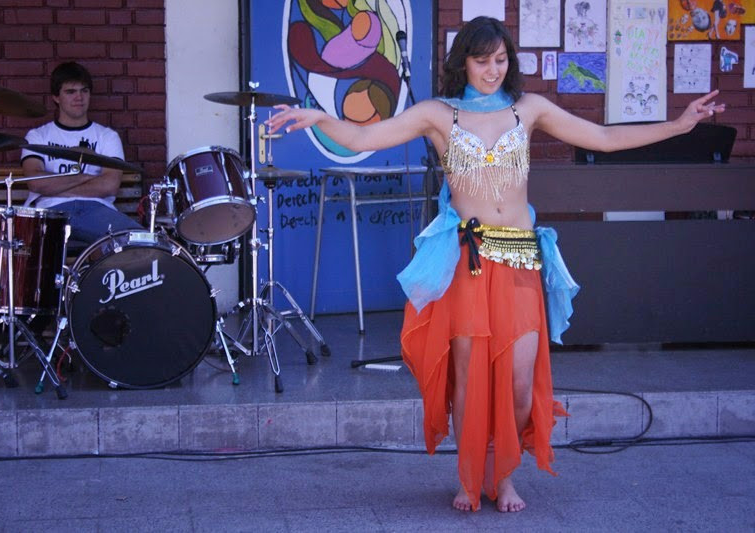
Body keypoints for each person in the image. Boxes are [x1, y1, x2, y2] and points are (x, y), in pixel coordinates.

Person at [267, 16, 724, 513]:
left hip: (520, 257)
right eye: (482, 60)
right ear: (462, 62)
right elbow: (363, 138)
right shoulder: (438, 114)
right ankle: (471, 479)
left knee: (520, 384)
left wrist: (679, 125)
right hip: (471, 260)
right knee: (469, 379)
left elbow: (603, 138)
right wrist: (318, 117)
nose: (492, 70)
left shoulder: (529, 109)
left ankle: (504, 474)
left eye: (501, 60)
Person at [21, 61, 142, 246]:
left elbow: (109, 185)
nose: (79, 97)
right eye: (70, 92)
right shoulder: (38, 136)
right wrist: (86, 178)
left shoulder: (107, 136)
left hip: (97, 211)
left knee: (142, 244)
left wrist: (55, 185)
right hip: (52, 212)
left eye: (84, 91)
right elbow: (36, 183)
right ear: (56, 97)